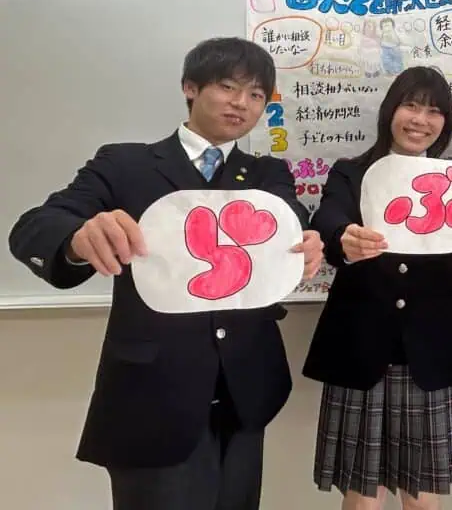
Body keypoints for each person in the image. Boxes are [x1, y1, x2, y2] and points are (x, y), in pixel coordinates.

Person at [8, 37, 325, 510]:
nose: (242, 102)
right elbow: (34, 226)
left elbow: (292, 225)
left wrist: (309, 242)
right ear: (190, 87)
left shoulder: (267, 175)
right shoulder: (125, 164)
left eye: (257, 94)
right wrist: (77, 238)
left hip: (245, 390)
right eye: (227, 86)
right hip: (151, 396)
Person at [303, 65, 452, 510]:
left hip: (431, 349)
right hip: (360, 347)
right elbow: (329, 218)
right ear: (390, 111)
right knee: (363, 499)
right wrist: (343, 238)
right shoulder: (351, 172)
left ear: (445, 123)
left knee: (422, 498)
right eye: (410, 106)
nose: (420, 120)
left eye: (434, 111)